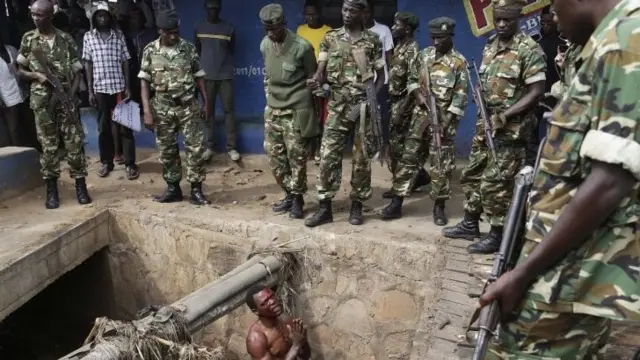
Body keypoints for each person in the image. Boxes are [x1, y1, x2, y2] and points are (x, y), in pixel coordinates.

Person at [478, 0, 640, 358]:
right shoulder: (606, 41)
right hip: (568, 262)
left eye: (554, 7)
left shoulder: (627, 39)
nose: (551, 17)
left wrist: (522, 274)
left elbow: (611, 180)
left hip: (567, 273)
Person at [443, 0, 546, 254]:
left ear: (517, 19)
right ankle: (470, 223)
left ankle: (499, 234)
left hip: (510, 131)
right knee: (473, 174)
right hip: (485, 125)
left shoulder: (529, 49)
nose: (501, 24)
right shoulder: (490, 45)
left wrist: (506, 115)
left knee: (496, 183)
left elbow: (536, 92)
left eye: (506, 20)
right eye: (497, 19)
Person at [304, 0, 385, 228]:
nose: (347, 14)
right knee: (328, 156)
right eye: (344, 9)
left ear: (362, 13)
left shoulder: (372, 40)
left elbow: (381, 76)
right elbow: (321, 72)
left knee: (361, 159)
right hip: (338, 107)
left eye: (352, 10)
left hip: (362, 109)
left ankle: (357, 206)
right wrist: (315, 80)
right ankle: (325, 208)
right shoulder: (330, 38)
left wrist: (371, 100)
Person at [382, 17, 469, 226]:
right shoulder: (424, 55)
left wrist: (445, 122)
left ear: (451, 37)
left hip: (443, 121)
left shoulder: (459, 62)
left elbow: (460, 96)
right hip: (420, 117)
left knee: (441, 165)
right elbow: (412, 80)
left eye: (441, 38)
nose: (437, 42)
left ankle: (439, 208)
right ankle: (396, 202)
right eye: (434, 37)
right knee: (408, 159)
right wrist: (419, 97)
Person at [16, 0, 92, 209]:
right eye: (33, 15)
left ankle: (81, 186)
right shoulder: (29, 39)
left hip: (66, 101)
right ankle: (52, 191)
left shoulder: (66, 39)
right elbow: (18, 70)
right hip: (42, 103)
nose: (35, 18)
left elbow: (78, 72)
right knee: (48, 147)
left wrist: (71, 93)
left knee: (74, 145)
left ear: (50, 16)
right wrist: (36, 75)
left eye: (39, 15)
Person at [138, 9, 211, 205]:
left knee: (195, 149)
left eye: (176, 32)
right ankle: (173, 189)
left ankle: (196, 190)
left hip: (188, 107)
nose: (174, 36)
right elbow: (144, 83)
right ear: (160, 31)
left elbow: (199, 77)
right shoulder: (150, 51)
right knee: (167, 151)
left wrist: (206, 103)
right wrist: (146, 112)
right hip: (162, 109)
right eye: (169, 32)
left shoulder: (187, 48)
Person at [259, 4, 318, 220]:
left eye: (274, 29)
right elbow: (267, 75)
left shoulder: (302, 47)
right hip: (273, 109)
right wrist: (269, 99)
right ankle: (289, 193)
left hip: (295, 110)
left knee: (297, 159)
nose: (270, 34)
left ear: (283, 24)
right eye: (266, 29)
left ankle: (298, 200)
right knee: (275, 158)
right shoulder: (265, 44)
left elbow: (312, 79)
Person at [83, 3, 139, 180]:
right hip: (100, 88)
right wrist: (90, 91)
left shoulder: (119, 36)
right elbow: (87, 64)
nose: (102, 19)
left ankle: (130, 164)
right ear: (94, 18)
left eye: (105, 15)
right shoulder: (88, 37)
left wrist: (128, 86)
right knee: (103, 127)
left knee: (126, 127)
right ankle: (106, 162)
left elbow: (125, 61)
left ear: (110, 17)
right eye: (99, 16)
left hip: (119, 87)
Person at [381, 12, 427, 199]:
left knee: (400, 149)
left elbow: (413, 84)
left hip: (403, 105)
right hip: (394, 102)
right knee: (396, 147)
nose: (393, 27)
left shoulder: (412, 50)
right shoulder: (401, 47)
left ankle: (402, 185)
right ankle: (418, 177)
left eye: (396, 24)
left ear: (407, 29)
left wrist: (402, 111)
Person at [196, 0, 240, 162]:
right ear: (205, 8)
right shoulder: (199, 28)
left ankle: (231, 147)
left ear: (220, 9)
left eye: (216, 9)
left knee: (229, 111)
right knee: (208, 112)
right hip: (206, 77)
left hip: (225, 75)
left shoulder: (229, 28)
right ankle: (209, 147)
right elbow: (198, 51)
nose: (213, 11)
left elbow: (231, 49)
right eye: (210, 8)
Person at [296, 0, 332, 164]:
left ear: (319, 14)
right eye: (307, 14)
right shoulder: (300, 30)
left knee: (321, 115)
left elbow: (330, 58)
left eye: (313, 14)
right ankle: (309, 148)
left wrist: (323, 77)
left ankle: (319, 148)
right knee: (307, 114)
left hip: (323, 77)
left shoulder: (328, 31)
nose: (310, 17)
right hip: (305, 77)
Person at [526, 5, 560, 167]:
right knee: (531, 132)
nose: (546, 25)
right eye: (542, 22)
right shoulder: (533, 40)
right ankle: (532, 166)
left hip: (558, 94)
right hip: (536, 94)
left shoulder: (564, 41)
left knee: (557, 131)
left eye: (549, 21)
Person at [245, 285, 310, 360]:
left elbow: (304, 355)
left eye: (272, 296)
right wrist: (296, 346)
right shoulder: (256, 339)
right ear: (255, 311)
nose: (272, 301)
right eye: (265, 302)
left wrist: (302, 342)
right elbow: (296, 346)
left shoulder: (285, 319)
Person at [363, 0, 394, 150]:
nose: (365, 15)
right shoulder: (356, 31)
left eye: (367, 11)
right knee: (364, 116)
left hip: (382, 80)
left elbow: (389, 57)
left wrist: (393, 79)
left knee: (381, 116)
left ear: (372, 12)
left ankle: (382, 147)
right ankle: (367, 147)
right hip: (362, 81)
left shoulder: (383, 30)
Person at [0, 34, 26, 147]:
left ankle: (35, 151)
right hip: (6, 97)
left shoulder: (11, 49)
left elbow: (22, 66)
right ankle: (18, 154)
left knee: (28, 125)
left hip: (22, 93)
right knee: (13, 129)